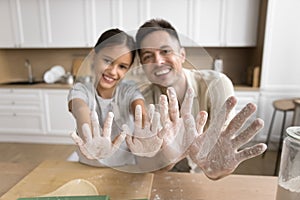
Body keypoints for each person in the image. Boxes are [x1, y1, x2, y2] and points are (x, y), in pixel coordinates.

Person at [124, 18, 267, 179]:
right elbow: (145, 164)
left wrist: (215, 168)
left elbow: (218, 158)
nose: (158, 61)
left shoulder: (216, 85)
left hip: (203, 180)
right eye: (148, 57)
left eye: (165, 51)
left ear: (182, 55)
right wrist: (168, 157)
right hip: (162, 179)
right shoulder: (141, 99)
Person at [67, 28, 147, 167]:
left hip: (125, 168)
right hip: (88, 167)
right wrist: (89, 135)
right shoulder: (81, 90)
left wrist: (146, 126)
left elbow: (139, 108)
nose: (113, 71)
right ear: (93, 56)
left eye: (122, 66)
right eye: (108, 61)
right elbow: (80, 109)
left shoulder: (129, 90)